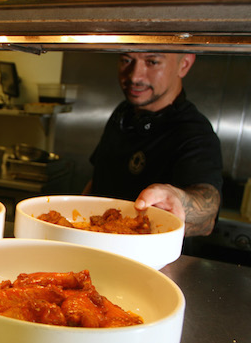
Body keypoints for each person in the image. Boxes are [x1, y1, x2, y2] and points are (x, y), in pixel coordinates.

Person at [83, 52, 223, 237]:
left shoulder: (194, 131)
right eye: (127, 60)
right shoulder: (123, 113)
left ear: (184, 64)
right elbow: (98, 180)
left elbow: (208, 216)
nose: (134, 76)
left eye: (152, 62)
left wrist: (178, 199)